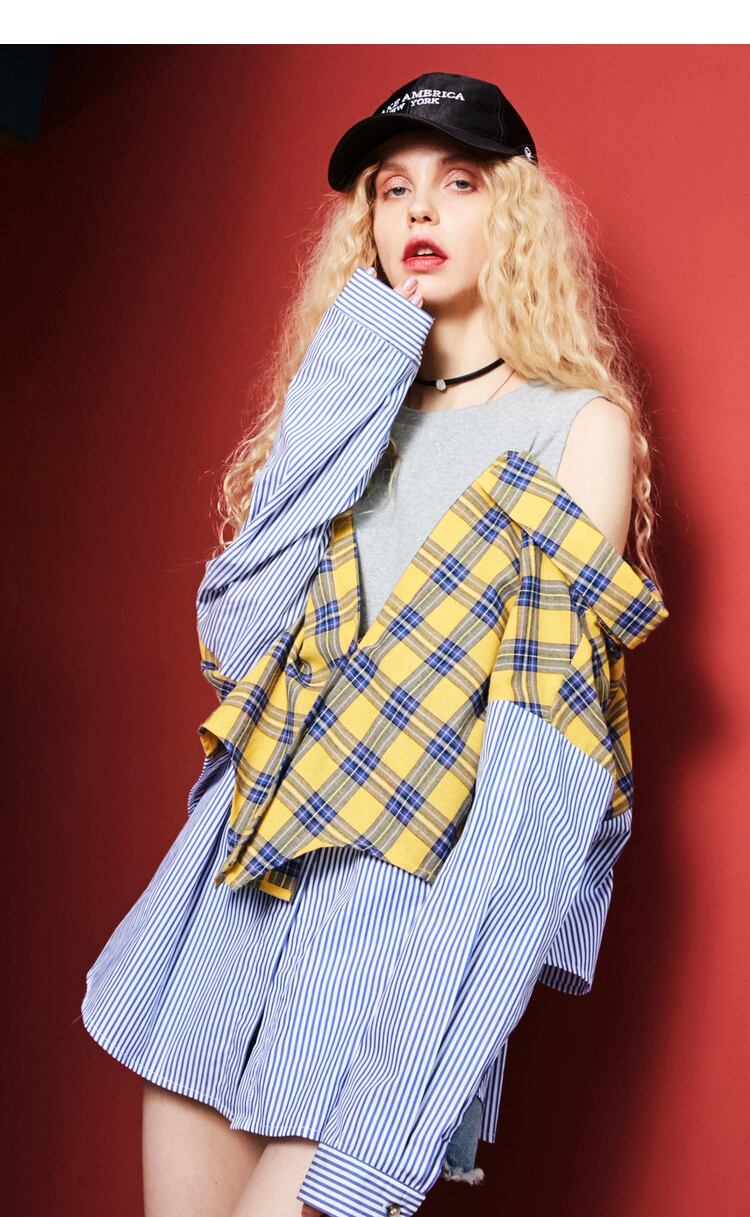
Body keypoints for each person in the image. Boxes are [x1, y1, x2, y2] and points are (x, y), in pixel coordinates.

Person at [79, 71, 669, 1217]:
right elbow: (239, 637)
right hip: (237, 892)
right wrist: (360, 365)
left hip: (394, 927)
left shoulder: (577, 430)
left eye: (458, 183)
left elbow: (540, 781)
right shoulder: (356, 404)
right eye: (393, 189)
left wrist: (422, 1053)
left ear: (515, 211)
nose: (420, 210)